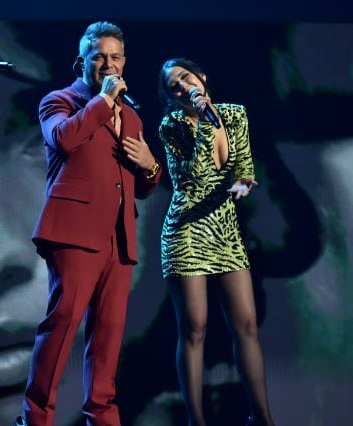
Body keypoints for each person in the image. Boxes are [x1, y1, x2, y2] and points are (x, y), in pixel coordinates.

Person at [16, 21, 161, 426]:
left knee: (109, 334)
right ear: (82, 62)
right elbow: (63, 139)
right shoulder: (60, 101)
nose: (108, 64)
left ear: (125, 61)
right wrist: (102, 102)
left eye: (115, 57)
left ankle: (102, 415)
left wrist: (151, 169)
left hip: (119, 235)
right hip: (73, 232)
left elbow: (140, 187)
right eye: (99, 57)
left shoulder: (132, 117)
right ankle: (35, 417)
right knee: (62, 324)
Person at [157, 57, 275, 426]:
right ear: (172, 98)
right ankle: (196, 420)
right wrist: (205, 122)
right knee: (195, 327)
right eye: (174, 86)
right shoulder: (172, 125)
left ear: (202, 76)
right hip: (188, 230)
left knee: (247, 324)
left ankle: (263, 417)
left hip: (224, 229)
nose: (182, 86)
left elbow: (243, 168)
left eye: (185, 77)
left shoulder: (235, 114)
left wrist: (243, 185)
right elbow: (192, 178)